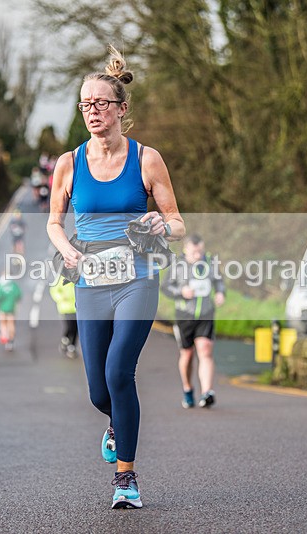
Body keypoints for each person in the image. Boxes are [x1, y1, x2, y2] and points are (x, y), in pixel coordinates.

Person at [46, 45, 185, 510]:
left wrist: (162, 225)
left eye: (100, 103)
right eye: (84, 104)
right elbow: (52, 222)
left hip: (137, 278)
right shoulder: (68, 163)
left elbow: (178, 222)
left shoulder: (147, 159)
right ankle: (117, 422)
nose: (91, 111)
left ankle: (125, 478)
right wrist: (67, 250)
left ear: (122, 109)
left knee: (118, 372)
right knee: (96, 390)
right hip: (90, 282)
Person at [160, 234, 226, 409]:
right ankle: (188, 389)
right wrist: (182, 291)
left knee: (205, 349)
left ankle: (207, 392)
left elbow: (219, 281)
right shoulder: (177, 265)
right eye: (195, 252)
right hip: (184, 316)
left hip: (206, 313)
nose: (199, 255)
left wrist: (220, 293)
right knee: (187, 354)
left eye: (201, 251)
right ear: (186, 249)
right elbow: (165, 287)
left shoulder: (210, 262)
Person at [49, 276, 79, 358]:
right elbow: (54, 290)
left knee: (76, 328)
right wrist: (61, 298)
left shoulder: (78, 277)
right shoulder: (61, 278)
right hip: (65, 307)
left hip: (77, 308)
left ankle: (71, 347)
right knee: (70, 327)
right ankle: (65, 339)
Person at [0, 265, 22, 352]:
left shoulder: (0, 285)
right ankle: (10, 342)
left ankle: (4, 336)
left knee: (3, 323)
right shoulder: (14, 285)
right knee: (11, 324)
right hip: (11, 307)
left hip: (2, 308)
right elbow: (18, 296)